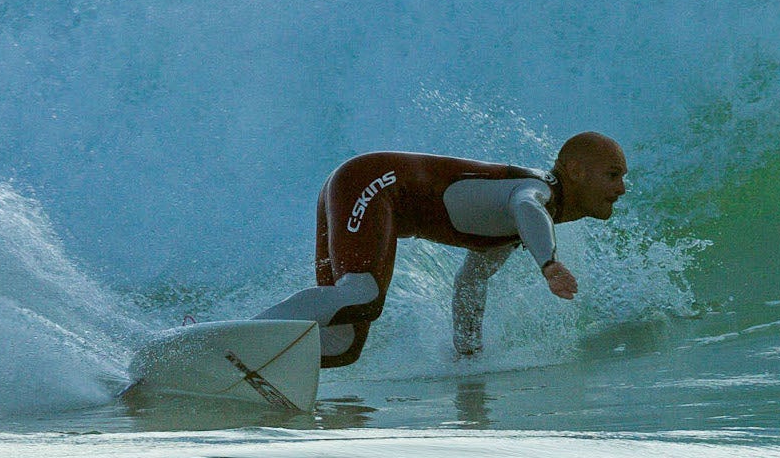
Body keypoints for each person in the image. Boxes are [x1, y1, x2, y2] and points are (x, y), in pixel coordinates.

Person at [257, 133, 628, 366]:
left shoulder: (508, 228)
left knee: (343, 344)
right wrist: (549, 264)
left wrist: (468, 356)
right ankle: (242, 334)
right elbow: (527, 206)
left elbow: (470, 282)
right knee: (362, 295)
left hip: (359, 185)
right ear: (576, 171)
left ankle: (256, 364)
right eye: (612, 175)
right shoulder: (536, 190)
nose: (621, 188)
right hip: (371, 183)